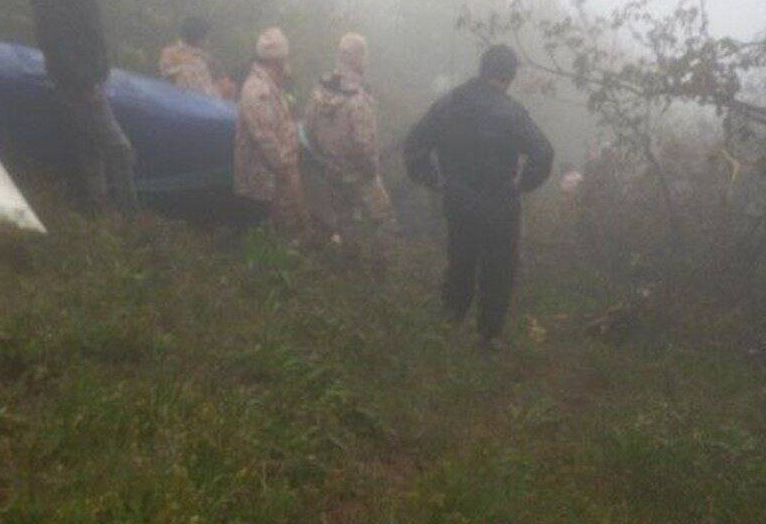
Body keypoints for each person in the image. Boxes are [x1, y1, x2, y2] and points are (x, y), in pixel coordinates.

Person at [404, 44, 554, 352]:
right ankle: (489, 337)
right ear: (510, 76)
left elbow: (415, 145)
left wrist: (434, 180)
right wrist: (522, 185)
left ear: (482, 69)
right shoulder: (512, 112)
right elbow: (543, 153)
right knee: (499, 269)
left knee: (460, 261)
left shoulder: (450, 103)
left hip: (458, 199)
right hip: (500, 203)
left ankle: (448, 326)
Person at [21, 0, 138, 214]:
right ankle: (130, 219)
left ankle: (99, 218)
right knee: (119, 149)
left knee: (91, 153)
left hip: (85, 80)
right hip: (77, 84)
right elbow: (56, 41)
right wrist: (84, 82)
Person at [304, 33, 397, 269]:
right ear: (357, 57)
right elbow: (363, 142)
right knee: (383, 218)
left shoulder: (321, 89)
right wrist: (372, 168)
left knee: (346, 219)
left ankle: (349, 264)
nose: (366, 60)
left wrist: (325, 156)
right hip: (359, 171)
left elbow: (308, 130)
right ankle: (380, 268)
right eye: (364, 55)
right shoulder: (357, 96)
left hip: (332, 168)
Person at [234, 27, 310, 236]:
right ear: (277, 60)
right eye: (285, 58)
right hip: (264, 185)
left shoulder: (272, 86)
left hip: (275, 181)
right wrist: (286, 173)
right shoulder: (258, 90)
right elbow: (265, 138)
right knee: (269, 239)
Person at [159, 16, 220, 97]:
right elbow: (205, 92)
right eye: (206, 37)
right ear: (200, 38)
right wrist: (221, 90)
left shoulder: (168, 52)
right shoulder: (201, 61)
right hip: (186, 100)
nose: (207, 41)